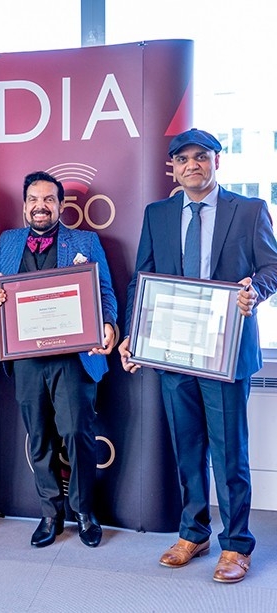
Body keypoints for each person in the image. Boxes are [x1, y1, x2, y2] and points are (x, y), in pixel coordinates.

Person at [118, 128, 277, 583]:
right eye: (183, 159)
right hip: (174, 351)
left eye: (201, 157)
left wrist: (256, 288)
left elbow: (272, 266)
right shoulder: (159, 214)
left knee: (229, 452)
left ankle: (237, 545)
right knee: (187, 448)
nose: (193, 165)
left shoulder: (248, 210)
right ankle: (194, 533)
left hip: (225, 351)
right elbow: (143, 277)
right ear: (173, 167)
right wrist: (133, 335)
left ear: (216, 162)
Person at [0, 171, 117, 548]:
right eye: (33, 199)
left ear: (61, 205)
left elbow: (105, 291)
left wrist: (108, 324)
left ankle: (83, 512)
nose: (40, 206)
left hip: (73, 358)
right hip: (26, 358)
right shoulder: (9, 241)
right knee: (39, 438)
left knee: (78, 434)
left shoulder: (85, 241)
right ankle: (49, 513)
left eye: (48, 199)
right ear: (24, 203)